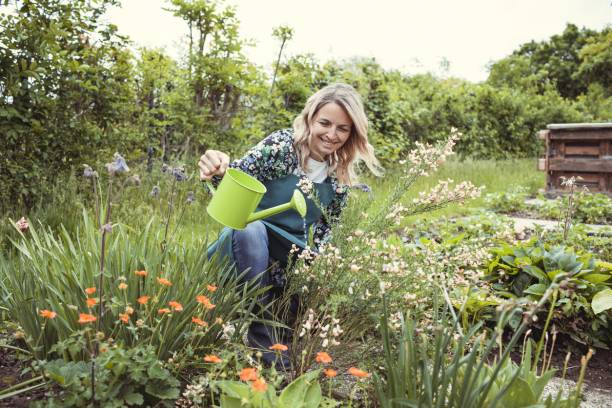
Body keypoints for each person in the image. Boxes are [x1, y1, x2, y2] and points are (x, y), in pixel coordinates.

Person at [198, 83, 382, 368]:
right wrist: (217, 167)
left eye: (343, 129)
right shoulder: (282, 148)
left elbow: (325, 236)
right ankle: (263, 335)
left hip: (288, 259)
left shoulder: (339, 177)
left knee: (305, 289)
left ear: (352, 134)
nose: (332, 135)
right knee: (253, 229)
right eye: (325, 123)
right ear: (310, 118)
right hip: (242, 246)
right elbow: (231, 184)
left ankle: (282, 326)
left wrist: (320, 273)